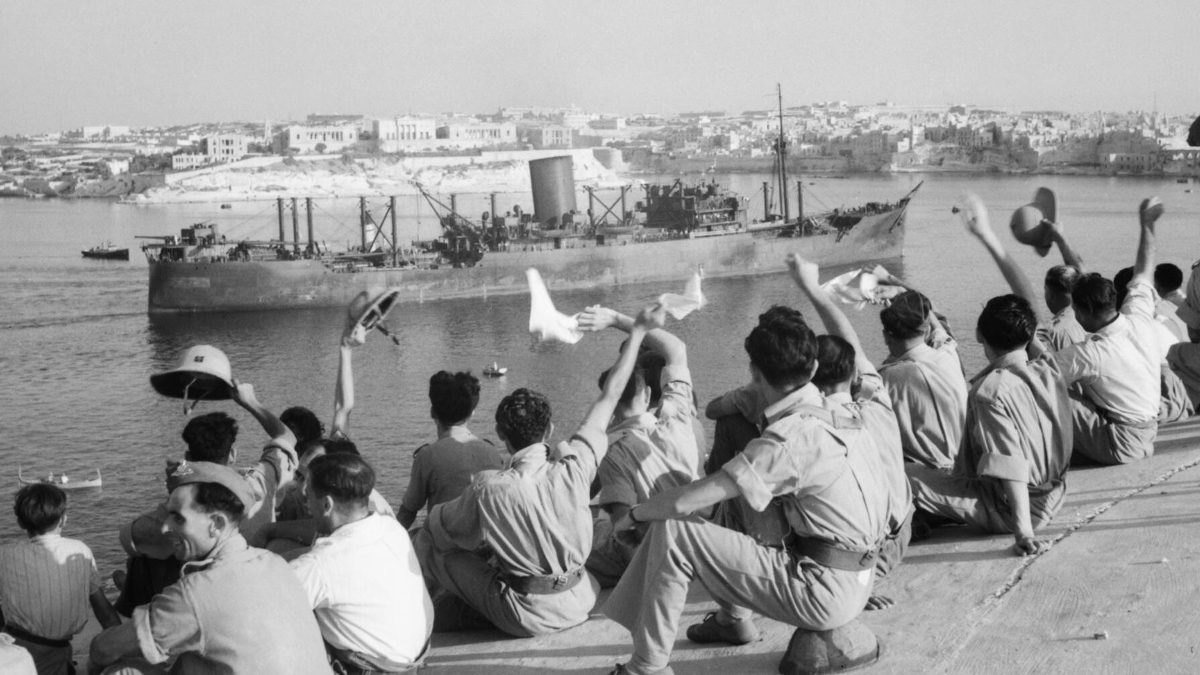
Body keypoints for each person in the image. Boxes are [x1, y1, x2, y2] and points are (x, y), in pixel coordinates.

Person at [602, 298, 892, 675]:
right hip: (861, 575)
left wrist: (635, 515)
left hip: (825, 591)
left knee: (675, 529)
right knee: (739, 498)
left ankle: (646, 667)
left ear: (755, 373)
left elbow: (685, 503)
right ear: (815, 366)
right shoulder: (845, 411)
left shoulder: (789, 441)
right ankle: (732, 617)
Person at [416, 303, 663, 637]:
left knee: (432, 546)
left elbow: (440, 530)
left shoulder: (489, 487)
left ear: (502, 435)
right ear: (549, 430)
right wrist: (637, 331)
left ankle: (416, 620)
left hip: (530, 614)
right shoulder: (576, 465)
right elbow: (611, 395)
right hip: (580, 597)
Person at [906, 194, 1073, 554]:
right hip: (1055, 491)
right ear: (1029, 335)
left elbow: (1010, 463)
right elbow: (1027, 299)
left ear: (980, 336)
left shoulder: (991, 394)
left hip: (1013, 507)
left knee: (904, 475)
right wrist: (988, 237)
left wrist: (1023, 532)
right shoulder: (1047, 368)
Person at [89, 462, 330, 674]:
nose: (164, 529)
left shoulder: (195, 593)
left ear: (216, 524)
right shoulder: (274, 563)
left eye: (178, 518)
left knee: (122, 671)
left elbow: (103, 649)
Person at [785, 253, 912, 606]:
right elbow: (850, 340)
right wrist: (812, 288)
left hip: (868, 554)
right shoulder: (875, 395)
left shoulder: (819, 429)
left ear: (811, 377)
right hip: (903, 530)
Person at [118, 380, 298, 604]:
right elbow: (287, 437)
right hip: (252, 584)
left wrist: (183, 472)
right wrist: (250, 401)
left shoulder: (181, 510)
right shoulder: (260, 481)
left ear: (189, 455)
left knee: (144, 558)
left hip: (199, 597)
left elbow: (129, 536)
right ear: (232, 454)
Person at [575, 305, 701, 587]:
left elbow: (624, 523)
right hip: (696, 540)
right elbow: (677, 348)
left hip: (657, 552)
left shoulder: (609, 452)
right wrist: (617, 319)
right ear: (647, 394)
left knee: (585, 532)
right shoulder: (679, 417)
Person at [291, 453, 433, 673]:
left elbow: (266, 610)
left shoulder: (321, 564)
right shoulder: (392, 529)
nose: (307, 505)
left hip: (372, 669)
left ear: (327, 504)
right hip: (412, 663)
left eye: (308, 497)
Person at [1052, 197, 1165, 464]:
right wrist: (1146, 225)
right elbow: (1144, 271)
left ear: (1082, 312)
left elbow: (1038, 375)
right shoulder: (1138, 316)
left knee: (1044, 390)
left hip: (1121, 443)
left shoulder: (1091, 353)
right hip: (1148, 433)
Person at [0, 484, 120, 675]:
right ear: (63, 519)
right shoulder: (80, 550)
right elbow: (103, 611)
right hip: (56, 651)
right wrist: (124, 645)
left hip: (12, 649)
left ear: (21, 523)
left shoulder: (5, 554)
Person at [875, 275, 968, 469]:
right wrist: (902, 293)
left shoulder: (885, 380)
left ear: (886, 336)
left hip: (926, 479)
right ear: (925, 331)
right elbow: (937, 327)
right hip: (965, 466)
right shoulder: (948, 355)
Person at [398, 371, 503, 529]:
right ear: (472, 413)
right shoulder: (492, 453)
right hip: (485, 546)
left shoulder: (428, 456)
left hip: (443, 548)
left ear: (433, 412)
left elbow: (408, 511)